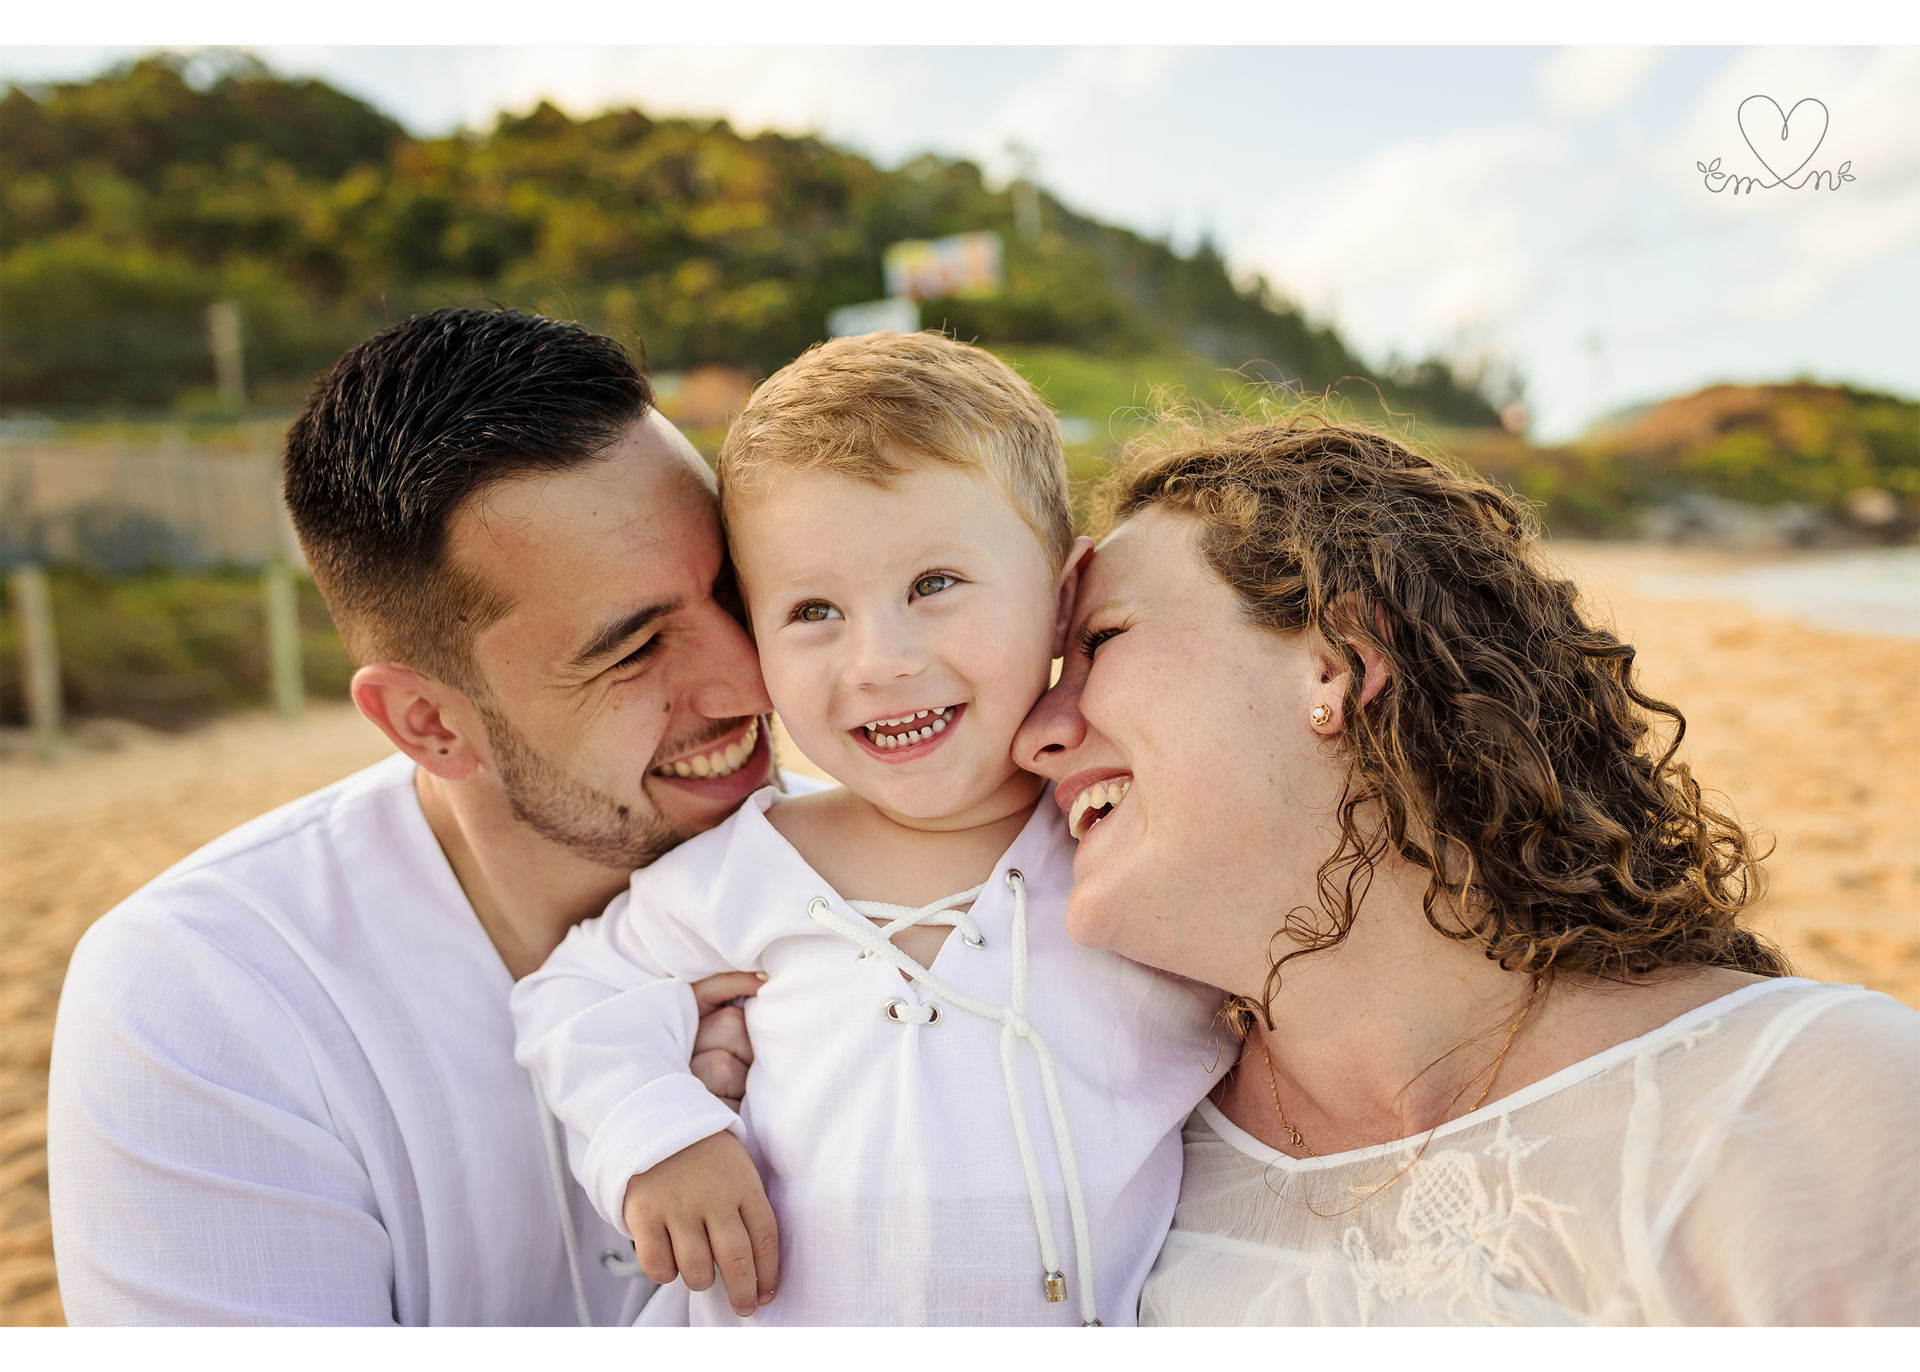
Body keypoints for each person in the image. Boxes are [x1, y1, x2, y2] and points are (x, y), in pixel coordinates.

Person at [1013, 417, 1920, 1325]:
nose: (1035, 735)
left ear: (1341, 663)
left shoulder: (1808, 1101)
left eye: (1098, 643)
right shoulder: (1115, 1168)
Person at [47, 307, 805, 1325]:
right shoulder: (214, 1001)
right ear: (428, 722)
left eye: (732, 588)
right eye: (632, 650)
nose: (750, 679)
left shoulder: (891, 869)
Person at [512, 332, 1227, 1327]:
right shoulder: (743, 867)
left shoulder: (1129, 855)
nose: (881, 659)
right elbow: (572, 995)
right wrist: (662, 1133)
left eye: (935, 585)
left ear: (1063, 601)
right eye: (812, 609)